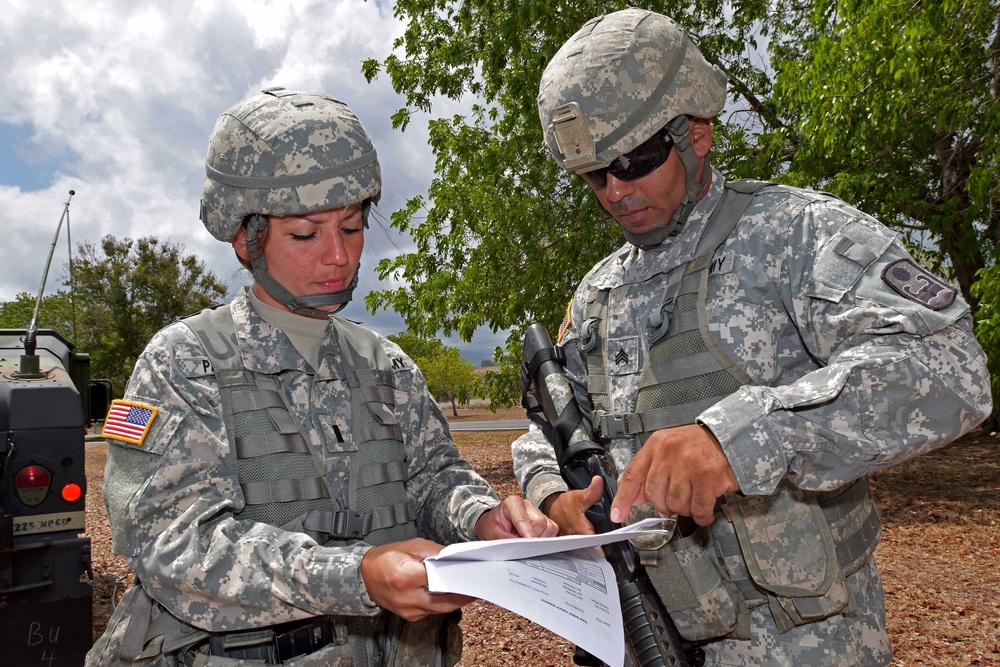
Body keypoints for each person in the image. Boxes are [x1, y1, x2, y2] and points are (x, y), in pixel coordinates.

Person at [512, 8, 992, 666]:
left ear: (697, 132)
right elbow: (551, 429)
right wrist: (551, 494)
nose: (617, 190)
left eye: (633, 158)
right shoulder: (598, 294)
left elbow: (950, 370)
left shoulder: (795, 235)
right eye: (596, 174)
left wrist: (742, 437)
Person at [87, 87, 556, 667]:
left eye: (353, 228)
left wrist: (483, 517)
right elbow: (172, 544)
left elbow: (436, 477)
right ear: (245, 238)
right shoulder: (183, 365)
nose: (338, 255)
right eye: (306, 235)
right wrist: (355, 573)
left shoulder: (387, 365)